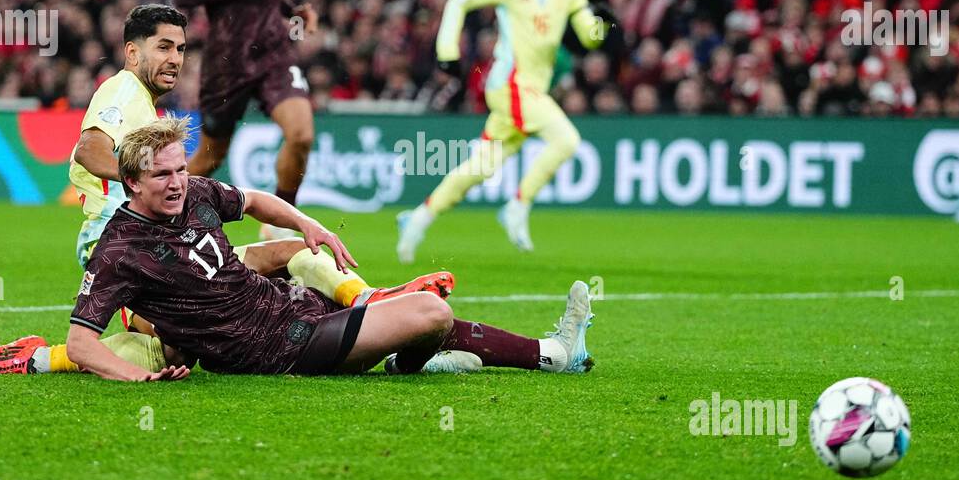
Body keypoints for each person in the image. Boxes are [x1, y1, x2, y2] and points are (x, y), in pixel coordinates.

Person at [0, 4, 451, 376]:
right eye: (163, 47)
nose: (175, 58)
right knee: (180, 338)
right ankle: (38, 359)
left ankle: (367, 299)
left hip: (156, 236)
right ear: (132, 52)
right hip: (129, 240)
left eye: (180, 49)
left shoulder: (143, 102)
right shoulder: (122, 91)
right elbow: (88, 151)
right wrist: (143, 179)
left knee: (259, 271)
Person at [66, 117, 596, 381]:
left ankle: (549, 355)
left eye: (182, 168)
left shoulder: (195, 194)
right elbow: (83, 341)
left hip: (288, 309)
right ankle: (410, 361)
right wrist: (141, 377)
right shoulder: (118, 251)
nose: (179, 182)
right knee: (430, 310)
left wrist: (307, 223)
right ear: (131, 182)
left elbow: (252, 201)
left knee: (406, 314)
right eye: (163, 175)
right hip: (275, 348)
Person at [397, 0, 612, 262]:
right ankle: (518, 205)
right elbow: (458, 1)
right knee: (567, 140)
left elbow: (588, 35)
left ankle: (418, 217)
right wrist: (447, 53)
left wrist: (602, 25)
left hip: (532, 90)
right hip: (510, 83)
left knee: (481, 167)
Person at [173, 0, 316, 240]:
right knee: (209, 158)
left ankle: (279, 222)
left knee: (301, 133)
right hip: (227, 59)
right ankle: (148, 217)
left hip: (273, 52)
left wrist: (295, 9)